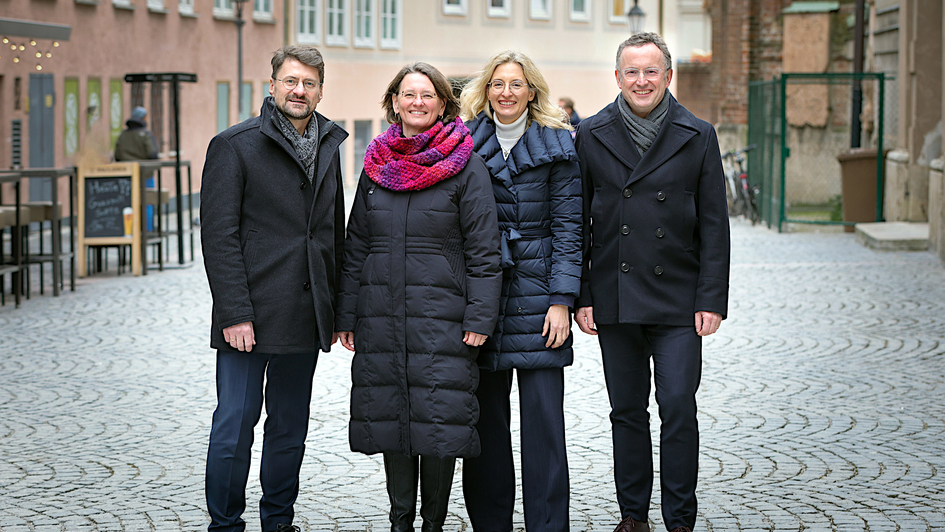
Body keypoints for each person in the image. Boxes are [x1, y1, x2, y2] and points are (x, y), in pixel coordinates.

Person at [573, 32, 730, 532]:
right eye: (632, 72)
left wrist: (712, 299)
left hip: (679, 298)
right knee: (627, 410)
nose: (642, 81)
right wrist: (583, 296)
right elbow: (577, 223)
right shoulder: (592, 133)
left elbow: (715, 224)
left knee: (679, 406)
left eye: (651, 71)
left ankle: (680, 517)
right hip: (615, 296)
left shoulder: (698, 134)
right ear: (617, 77)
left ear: (668, 75)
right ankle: (633, 516)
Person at [335, 62, 501, 532]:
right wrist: (347, 315)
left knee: (440, 420)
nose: (417, 103)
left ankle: (432, 523)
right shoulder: (376, 165)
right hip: (382, 316)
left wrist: (479, 318)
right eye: (408, 95)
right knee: (393, 418)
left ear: (444, 104)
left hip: (443, 318)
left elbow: (485, 252)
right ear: (393, 103)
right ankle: (400, 521)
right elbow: (357, 246)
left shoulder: (465, 166)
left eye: (427, 95)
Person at [200, 45, 348, 532]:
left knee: (290, 431)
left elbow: (333, 232)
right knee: (234, 426)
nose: (299, 90)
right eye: (290, 81)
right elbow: (218, 236)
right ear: (272, 86)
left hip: (304, 314)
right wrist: (234, 313)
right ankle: (225, 525)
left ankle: (278, 523)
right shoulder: (235, 145)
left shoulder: (329, 143)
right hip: (250, 315)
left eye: (308, 83)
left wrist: (336, 311)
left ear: (320, 89)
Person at [459, 51, 582, 532]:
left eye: (516, 84)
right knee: (485, 424)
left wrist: (561, 301)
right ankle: (491, 524)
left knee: (544, 427)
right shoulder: (463, 143)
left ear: (532, 91)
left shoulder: (559, 144)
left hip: (538, 299)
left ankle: (548, 525)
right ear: (485, 91)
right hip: (485, 296)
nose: (506, 93)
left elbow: (570, 230)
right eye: (497, 84)